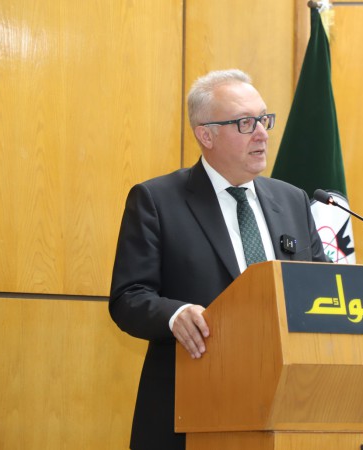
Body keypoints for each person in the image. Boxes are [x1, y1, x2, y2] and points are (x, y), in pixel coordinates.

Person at [109, 68, 329, 450]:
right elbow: (129, 297)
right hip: (190, 407)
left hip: (285, 410)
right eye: (245, 123)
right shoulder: (157, 201)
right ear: (206, 135)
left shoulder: (293, 200)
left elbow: (320, 287)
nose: (262, 133)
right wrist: (175, 315)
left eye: (264, 119)